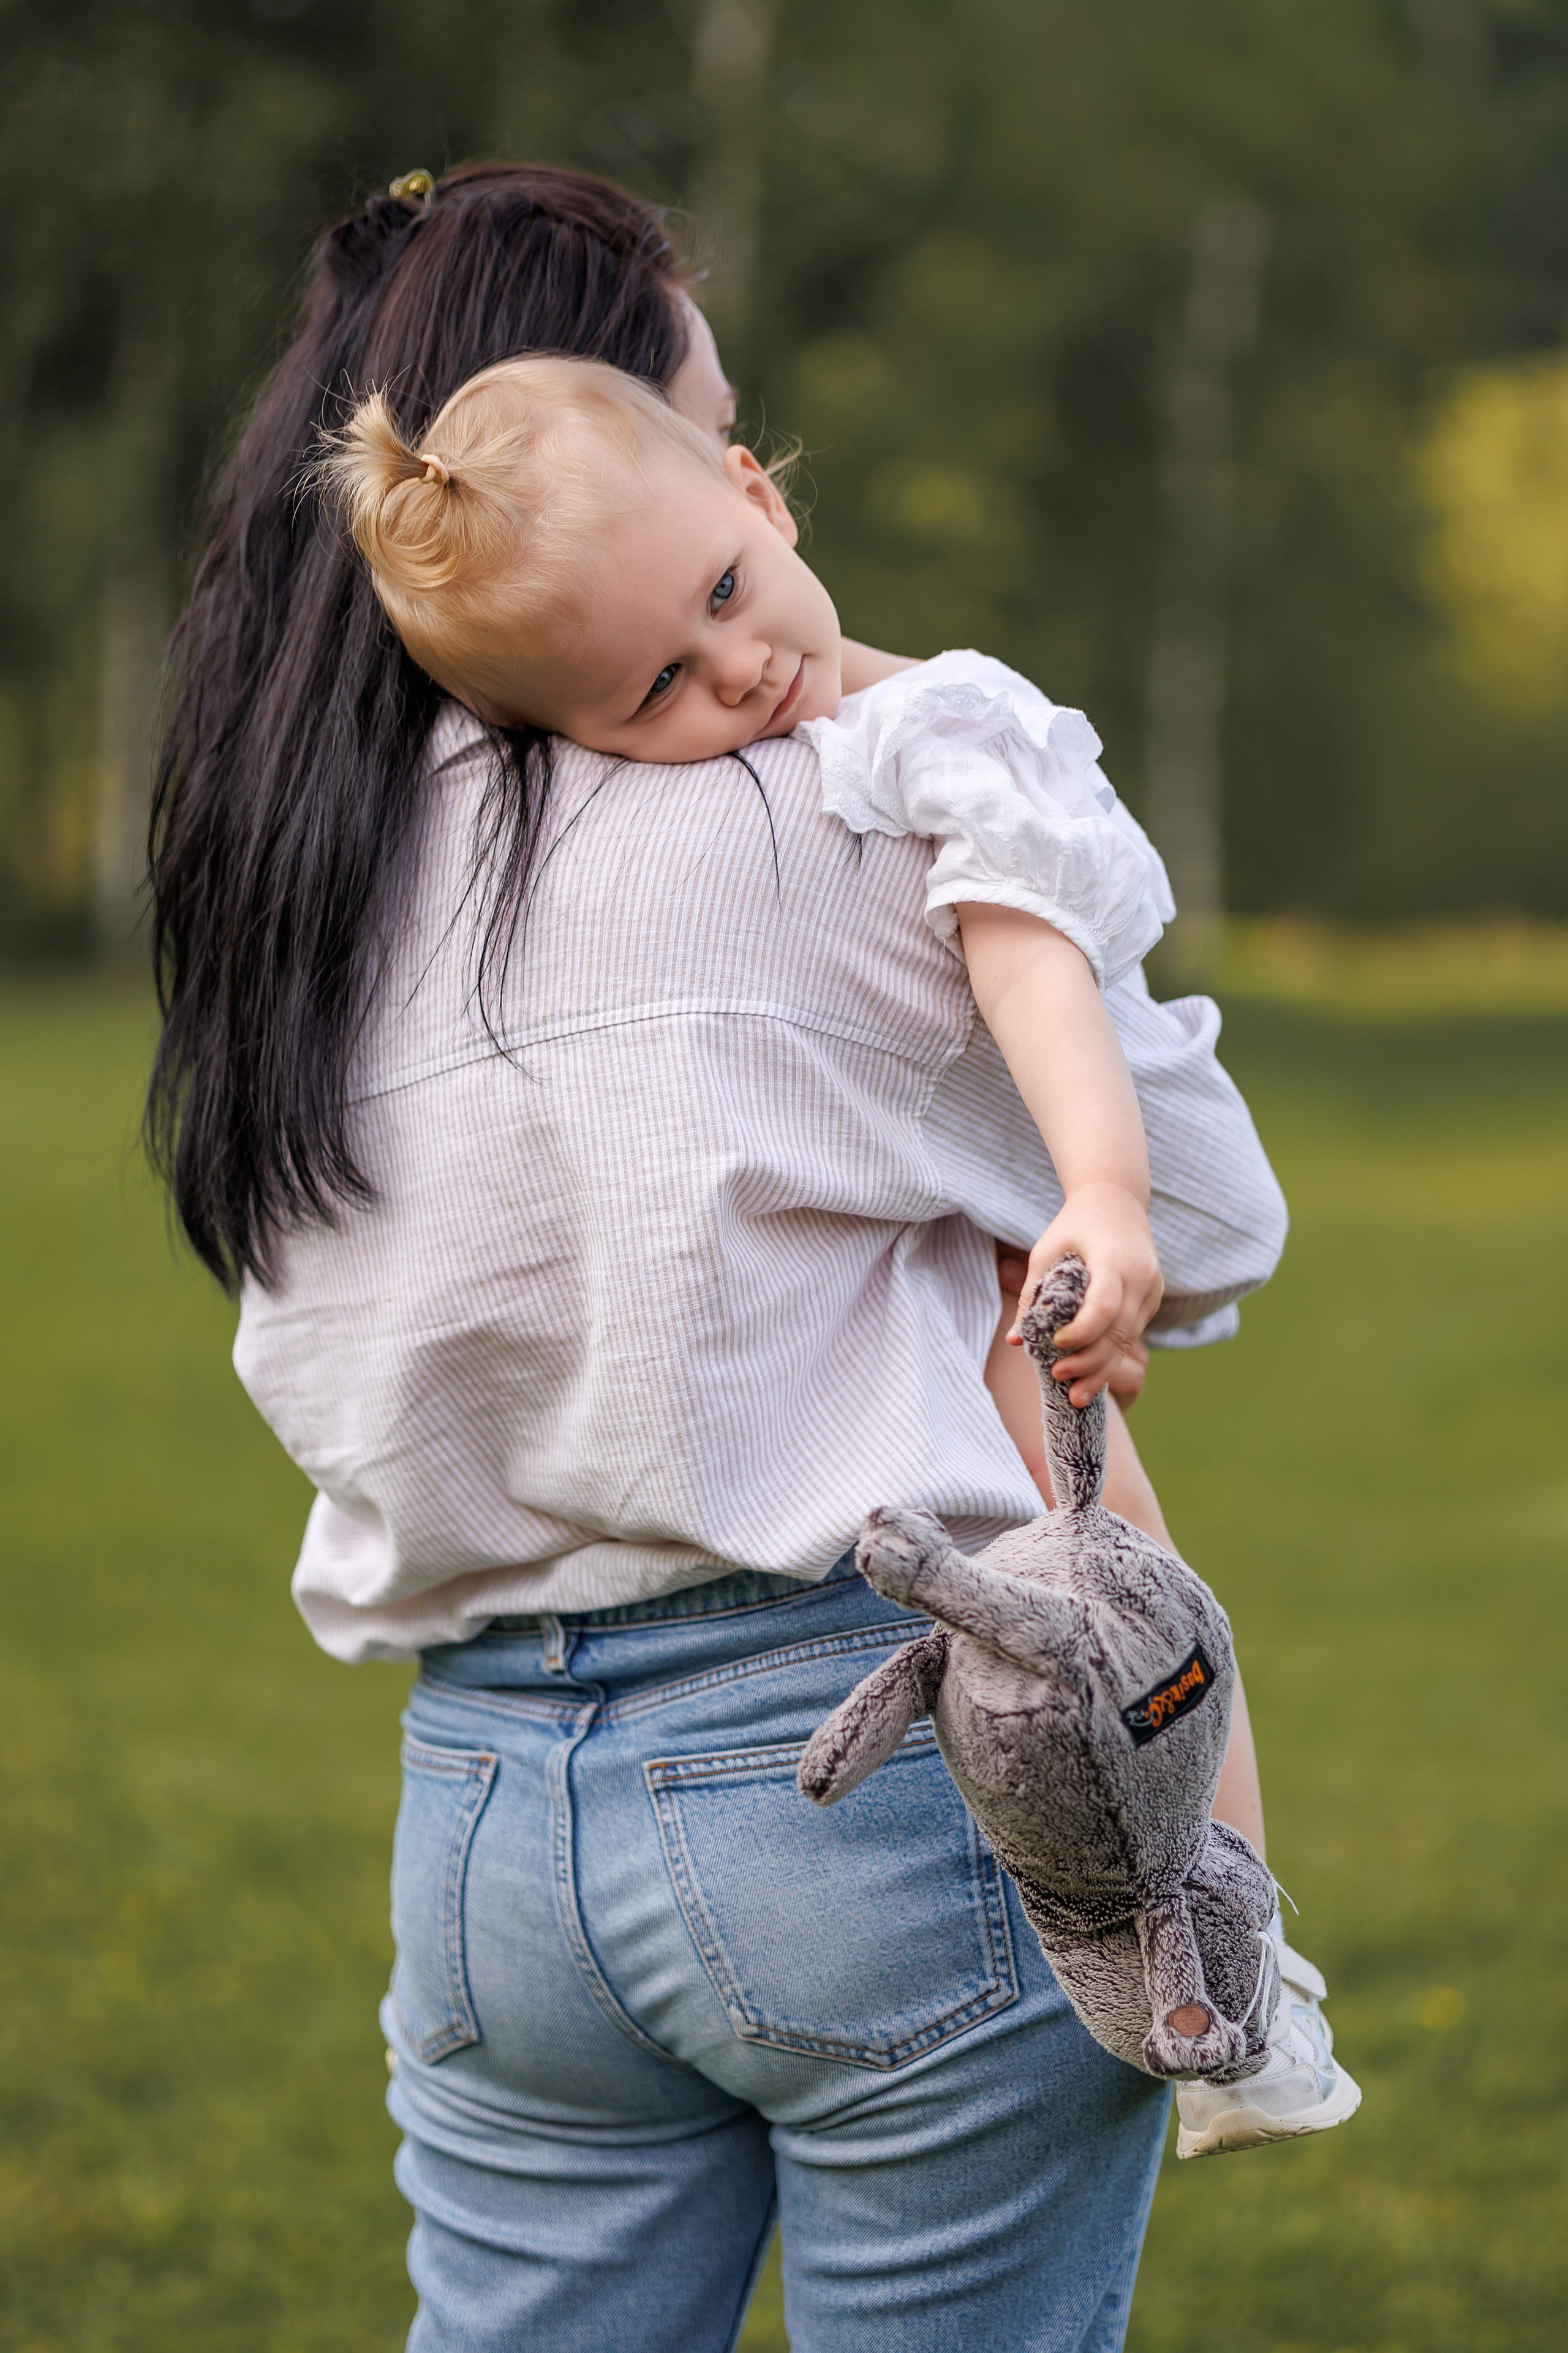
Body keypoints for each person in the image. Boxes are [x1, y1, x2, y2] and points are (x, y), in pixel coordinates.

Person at [145, 164, 1325, 2352]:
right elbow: (1211, 1212)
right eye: (708, 413)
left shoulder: (291, 901)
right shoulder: (828, 807)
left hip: (486, 1819)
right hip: (869, 1762)